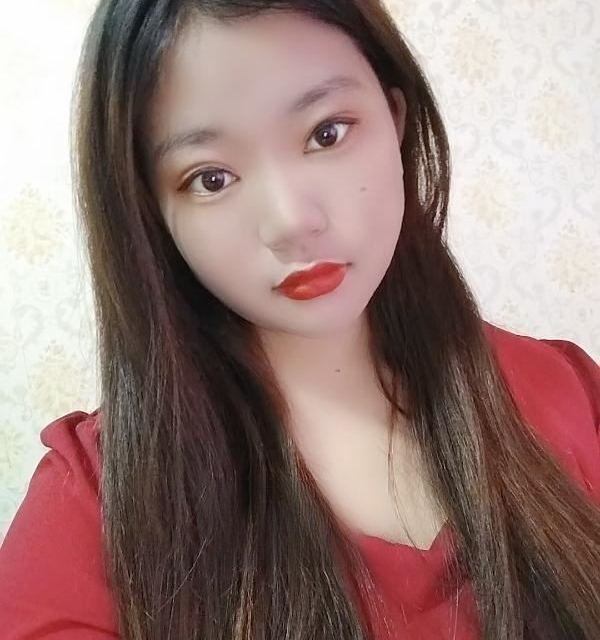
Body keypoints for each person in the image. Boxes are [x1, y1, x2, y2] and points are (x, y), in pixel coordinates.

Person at [1, 0, 599, 638]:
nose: (290, 220)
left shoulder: (565, 387)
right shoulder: (94, 505)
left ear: (395, 118)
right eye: (210, 178)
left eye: (327, 133)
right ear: (151, 213)